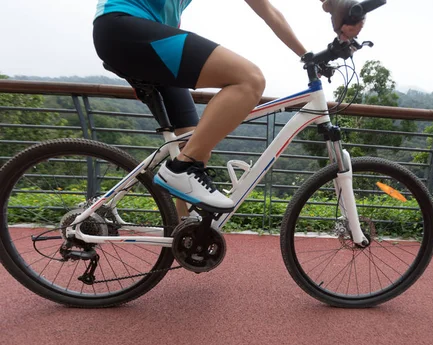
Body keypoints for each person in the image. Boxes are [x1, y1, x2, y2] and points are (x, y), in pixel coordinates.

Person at [93, 0, 364, 213]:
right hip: (125, 28)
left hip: (145, 41)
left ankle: (185, 234)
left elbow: (269, 10)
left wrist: (307, 56)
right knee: (249, 79)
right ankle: (180, 171)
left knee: (194, 145)